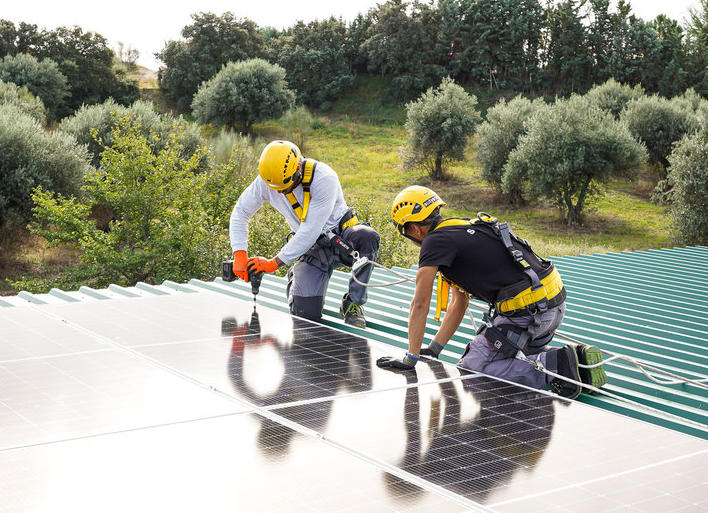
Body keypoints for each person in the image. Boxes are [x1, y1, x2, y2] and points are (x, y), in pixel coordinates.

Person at [376, 185, 606, 399]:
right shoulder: (464, 227)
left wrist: (411, 357)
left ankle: (555, 364)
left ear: (413, 228)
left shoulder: (435, 241)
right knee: (507, 358)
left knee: (471, 371)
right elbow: (459, 303)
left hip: (525, 314)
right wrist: (434, 349)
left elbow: (419, 303)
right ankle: (579, 361)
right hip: (552, 306)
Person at [229, 140, 380, 328]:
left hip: (344, 242)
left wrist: (273, 263)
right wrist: (239, 254)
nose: (281, 192)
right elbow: (241, 212)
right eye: (276, 189)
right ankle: (297, 276)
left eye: (285, 187)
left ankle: (353, 304)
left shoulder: (324, 178)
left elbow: (310, 229)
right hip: (312, 249)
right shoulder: (268, 180)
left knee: (367, 237)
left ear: (298, 168)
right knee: (306, 314)